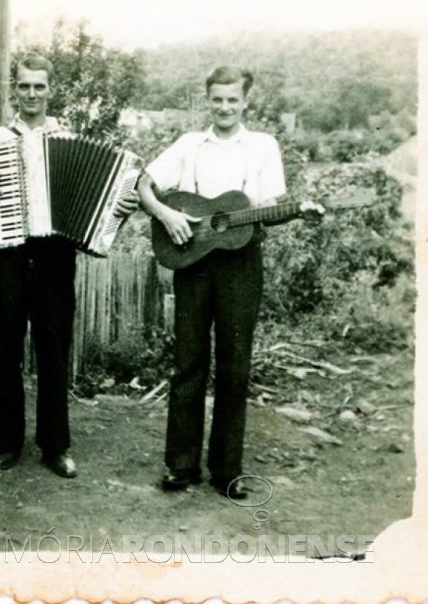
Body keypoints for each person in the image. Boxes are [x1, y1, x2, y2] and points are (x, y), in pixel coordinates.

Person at [137, 66, 321, 498]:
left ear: (245, 102)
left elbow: (270, 203)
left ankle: (227, 470)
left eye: (232, 100)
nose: (224, 107)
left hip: (241, 266)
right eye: (217, 99)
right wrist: (166, 214)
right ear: (208, 99)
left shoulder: (262, 146)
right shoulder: (188, 145)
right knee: (188, 362)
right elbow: (144, 184)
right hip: (192, 259)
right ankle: (180, 465)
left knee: (235, 367)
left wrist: (290, 210)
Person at [0, 55, 138, 478]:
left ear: (49, 90)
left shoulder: (68, 137)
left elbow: (106, 199)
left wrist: (121, 207)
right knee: (6, 347)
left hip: (55, 256)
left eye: (39, 87)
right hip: (9, 251)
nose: (31, 94)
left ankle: (54, 445)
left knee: (54, 349)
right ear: (14, 90)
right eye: (24, 86)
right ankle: (4, 442)